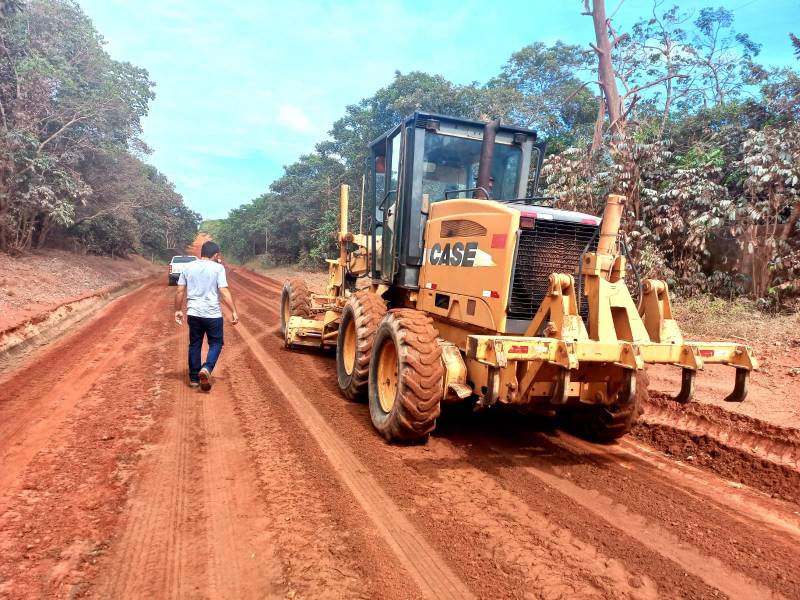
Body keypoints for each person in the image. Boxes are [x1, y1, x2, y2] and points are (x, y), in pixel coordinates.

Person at [174, 240, 239, 391]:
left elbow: (179, 290)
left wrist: (177, 310)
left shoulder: (188, 267)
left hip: (193, 313)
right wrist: (234, 311)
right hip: (212, 314)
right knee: (216, 343)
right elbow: (223, 291)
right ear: (215, 254)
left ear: (202, 253)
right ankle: (207, 368)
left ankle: (194, 379)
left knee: (195, 344)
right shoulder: (218, 268)